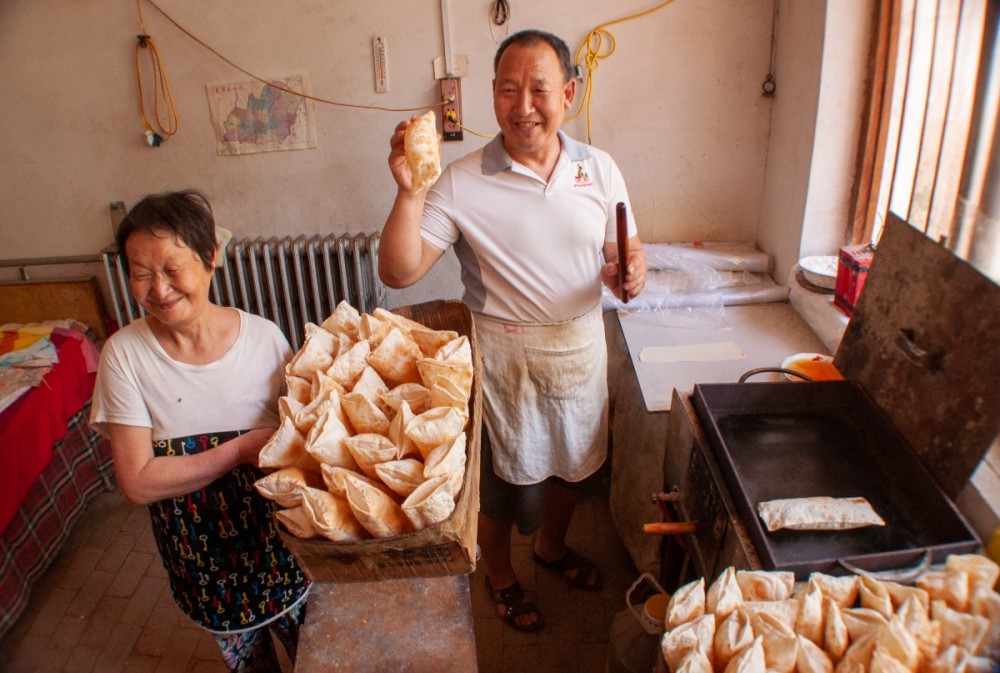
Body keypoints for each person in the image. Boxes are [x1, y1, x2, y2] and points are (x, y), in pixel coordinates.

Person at [380, 29, 646, 632]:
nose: (523, 105)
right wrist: (408, 192)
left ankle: (551, 548)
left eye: (539, 89)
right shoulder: (462, 181)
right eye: (507, 89)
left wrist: (631, 268)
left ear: (569, 94)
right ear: (492, 97)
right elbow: (398, 273)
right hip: (505, 358)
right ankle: (499, 572)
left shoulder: (598, 169)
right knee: (502, 487)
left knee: (577, 467)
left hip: (580, 349)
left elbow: (625, 249)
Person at [90, 190, 310, 671]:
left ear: (211, 256)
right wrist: (240, 450)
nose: (158, 289)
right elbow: (137, 481)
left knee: (317, 653)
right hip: (204, 567)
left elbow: (302, 443)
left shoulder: (265, 338)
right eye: (141, 273)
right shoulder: (125, 356)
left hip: (285, 549)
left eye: (172, 268)